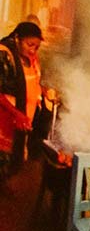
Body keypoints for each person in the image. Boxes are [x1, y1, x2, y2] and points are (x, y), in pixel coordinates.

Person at [0, 21, 45, 175]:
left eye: (37, 47)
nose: (33, 50)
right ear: (17, 38)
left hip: (21, 122)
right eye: (30, 44)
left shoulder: (30, 57)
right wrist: (16, 113)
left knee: (11, 165)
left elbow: (33, 82)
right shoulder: (4, 54)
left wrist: (45, 92)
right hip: (4, 121)